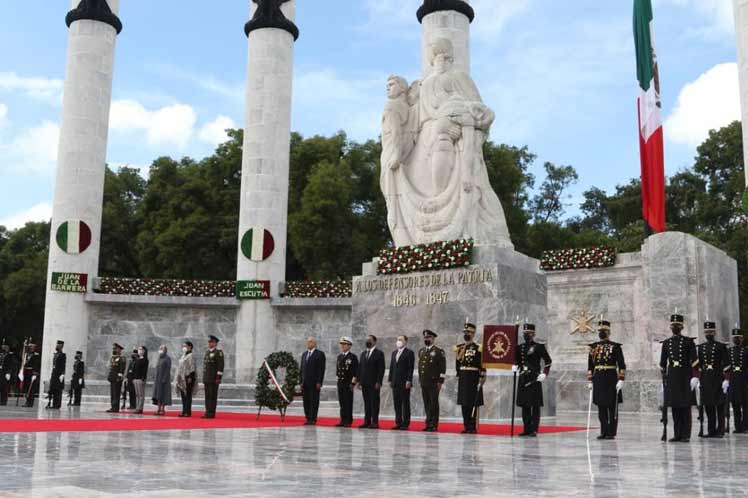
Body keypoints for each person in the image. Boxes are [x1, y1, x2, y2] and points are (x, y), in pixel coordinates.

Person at [659, 314, 699, 442]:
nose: (675, 327)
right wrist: (663, 379)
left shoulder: (688, 341)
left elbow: (695, 361)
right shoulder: (666, 343)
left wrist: (695, 377)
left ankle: (686, 434)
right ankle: (677, 434)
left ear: (681, 326)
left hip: (685, 375)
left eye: (677, 325)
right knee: (675, 406)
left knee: (685, 406)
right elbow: (662, 363)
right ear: (671, 327)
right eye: (673, 325)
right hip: (672, 377)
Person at [587, 320, 626, 440]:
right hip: (598, 378)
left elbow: (622, 365)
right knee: (601, 407)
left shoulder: (615, 347)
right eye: (600, 331)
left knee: (612, 407)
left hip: (611, 378)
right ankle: (603, 431)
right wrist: (590, 380)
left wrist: (621, 379)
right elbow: (590, 366)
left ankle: (611, 432)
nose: (601, 333)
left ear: (608, 332)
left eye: (603, 331)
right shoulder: (593, 347)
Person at [515, 323, 552, 436]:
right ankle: (526, 429)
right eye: (525, 333)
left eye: (529, 333)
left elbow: (548, 361)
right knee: (525, 405)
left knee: (535, 405)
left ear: (533, 334)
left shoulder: (539, 347)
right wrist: (515, 367)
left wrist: (544, 374)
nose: (527, 335)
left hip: (534, 378)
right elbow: (516, 360)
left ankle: (534, 429)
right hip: (523, 378)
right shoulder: (520, 347)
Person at [696, 321, 729, 438]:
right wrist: (697, 378)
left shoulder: (721, 346)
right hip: (706, 379)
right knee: (708, 406)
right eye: (706, 332)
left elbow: (727, 364)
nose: (708, 334)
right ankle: (711, 430)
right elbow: (698, 364)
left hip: (717, 378)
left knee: (719, 406)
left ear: (714, 332)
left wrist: (726, 379)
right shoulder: (701, 347)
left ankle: (720, 430)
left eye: (710, 332)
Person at [455, 323, 486, 434]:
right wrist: (459, 375)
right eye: (465, 332)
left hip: (473, 378)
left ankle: (472, 427)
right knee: (464, 403)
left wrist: (482, 376)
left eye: (469, 332)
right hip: (463, 377)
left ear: (473, 334)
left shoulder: (478, 348)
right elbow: (458, 364)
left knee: (473, 402)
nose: (466, 334)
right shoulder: (460, 348)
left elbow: (482, 364)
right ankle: (466, 426)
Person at [418, 329, 446, 432]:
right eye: (425, 337)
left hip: (434, 382)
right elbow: (421, 366)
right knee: (426, 404)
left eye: (428, 337)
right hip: (424, 382)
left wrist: (441, 381)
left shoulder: (439, 351)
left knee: (434, 404)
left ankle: (434, 424)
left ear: (433, 338)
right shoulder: (421, 351)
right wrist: (420, 379)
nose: (426, 339)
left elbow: (442, 368)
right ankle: (428, 423)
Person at [357, 335, 385, 429]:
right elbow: (360, 368)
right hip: (364, 383)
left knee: (374, 403)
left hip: (374, 383)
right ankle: (367, 421)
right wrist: (359, 381)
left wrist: (379, 382)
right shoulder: (363, 353)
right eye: (367, 340)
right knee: (367, 403)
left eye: (369, 340)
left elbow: (381, 369)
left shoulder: (379, 353)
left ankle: (375, 422)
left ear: (374, 342)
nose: (367, 341)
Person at [389, 335, 415, 430]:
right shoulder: (394, 353)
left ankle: (405, 423)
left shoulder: (409, 353)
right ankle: (398, 422)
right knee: (397, 403)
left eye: (400, 340)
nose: (398, 341)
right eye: (397, 339)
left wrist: (409, 380)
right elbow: (392, 367)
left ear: (406, 341)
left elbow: (410, 368)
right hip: (395, 382)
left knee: (405, 403)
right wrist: (390, 379)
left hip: (404, 382)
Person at [300, 337, 326, 425]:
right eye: (308, 342)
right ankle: (307, 417)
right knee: (306, 401)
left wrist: (319, 381)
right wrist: (301, 381)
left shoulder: (319, 354)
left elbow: (321, 369)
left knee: (314, 401)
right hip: (305, 382)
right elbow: (301, 369)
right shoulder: (304, 354)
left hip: (314, 383)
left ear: (314, 343)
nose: (308, 343)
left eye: (310, 342)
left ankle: (313, 418)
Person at [727, 328, 747, 433]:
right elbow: (726, 367)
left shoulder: (746, 350)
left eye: (738, 338)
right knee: (735, 405)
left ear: (742, 339)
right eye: (735, 338)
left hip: (744, 381)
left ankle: (745, 427)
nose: (736, 339)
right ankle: (737, 426)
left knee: (746, 405)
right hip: (734, 381)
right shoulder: (729, 351)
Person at [335, 337, 358, 427]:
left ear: (349, 345)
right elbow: (338, 370)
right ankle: (342, 419)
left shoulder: (353, 357)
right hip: (341, 382)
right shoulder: (340, 357)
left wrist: (353, 383)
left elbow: (356, 372)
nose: (342, 346)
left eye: (344, 344)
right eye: (341, 344)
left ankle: (348, 420)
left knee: (348, 402)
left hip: (348, 383)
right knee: (342, 402)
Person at [202, 335, 224, 419]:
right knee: (207, 396)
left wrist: (218, 378)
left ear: (215, 343)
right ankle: (207, 412)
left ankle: (211, 413)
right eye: (209, 342)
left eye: (211, 342)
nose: (209, 343)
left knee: (212, 396)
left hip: (214, 378)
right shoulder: (207, 352)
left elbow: (220, 366)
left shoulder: (219, 353)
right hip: (207, 378)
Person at [176, 341, 196, 417]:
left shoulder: (191, 355)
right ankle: (184, 411)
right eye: (183, 346)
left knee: (187, 395)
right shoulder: (183, 355)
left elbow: (192, 367)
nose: (184, 347)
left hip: (188, 377)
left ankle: (188, 412)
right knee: (183, 395)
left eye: (185, 346)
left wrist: (190, 377)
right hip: (182, 378)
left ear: (190, 347)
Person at [152, 345, 172, 416]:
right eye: (160, 348)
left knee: (163, 394)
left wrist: (164, 378)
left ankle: (163, 409)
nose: (160, 350)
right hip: (158, 379)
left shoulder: (168, 358)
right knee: (158, 394)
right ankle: (158, 408)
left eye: (162, 348)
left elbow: (168, 369)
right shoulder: (159, 358)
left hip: (164, 379)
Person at [106, 343, 126, 413]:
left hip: (117, 378)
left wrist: (119, 377)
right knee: (112, 393)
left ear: (119, 350)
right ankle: (112, 406)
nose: (113, 350)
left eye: (115, 349)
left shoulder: (122, 358)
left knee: (116, 393)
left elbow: (122, 369)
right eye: (113, 348)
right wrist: (109, 376)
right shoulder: (113, 357)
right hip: (112, 377)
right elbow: (111, 368)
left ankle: (115, 407)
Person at [47, 340, 66, 410]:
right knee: (53, 388)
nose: (56, 346)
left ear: (61, 346)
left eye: (58, 345)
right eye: (57, 344)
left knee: (58, 389)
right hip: (54, 373)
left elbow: (63, 365)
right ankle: (53, 404)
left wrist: (62, 374)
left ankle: (57, 404)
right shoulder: (55, 354)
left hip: (59, 374)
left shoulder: (62, 355)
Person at [23, 343, 41, 408]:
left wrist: (35, 374)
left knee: (31, 389)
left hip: (32, 372)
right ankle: (27, 401)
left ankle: (30, 403)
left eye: (32, 346)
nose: (30, 348)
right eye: (30, 346)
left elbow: (37, 365)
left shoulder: (36, 355)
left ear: (34, 347)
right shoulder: (27, 354)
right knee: (27, 387)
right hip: (27, 372)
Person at [132, 346, 149, 414]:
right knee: (137, 394)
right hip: (135, 378)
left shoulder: (145, 360)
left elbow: (144, 370)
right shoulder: (138, 359)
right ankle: (137, 407)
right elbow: (134, 369)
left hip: (140, 379)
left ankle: (140, 408)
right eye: (139, 349)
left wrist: (143, 378)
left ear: (144, 351)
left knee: (141, 394)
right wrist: (133, 378)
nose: (139, 351)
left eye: (141, 349)